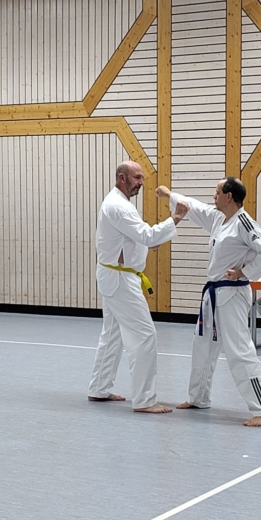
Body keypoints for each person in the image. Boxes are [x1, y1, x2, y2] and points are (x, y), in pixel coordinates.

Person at [157, 178, 261, 427]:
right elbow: (194, 207)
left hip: (232, 293)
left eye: (217, 192)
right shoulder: (218, 218)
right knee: (202, 347)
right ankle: (199, 397)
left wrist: (244, 271)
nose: (213, 196)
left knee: (239, 350)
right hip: (213, 293)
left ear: (229, 196)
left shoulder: (244, 223)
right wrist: (169, 194)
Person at [87, 161, 189, 413]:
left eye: (142, 178)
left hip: (115, 276)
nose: (141, 183)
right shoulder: (119, 206)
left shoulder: (119, 203)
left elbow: (139, 239)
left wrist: (149, 241)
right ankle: (145, 400)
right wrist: (176, 218)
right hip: (120, 280)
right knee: (144, 335)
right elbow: (147, 236)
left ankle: (99, 388)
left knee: (112, 335)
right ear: (121, 178)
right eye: (137, 178)